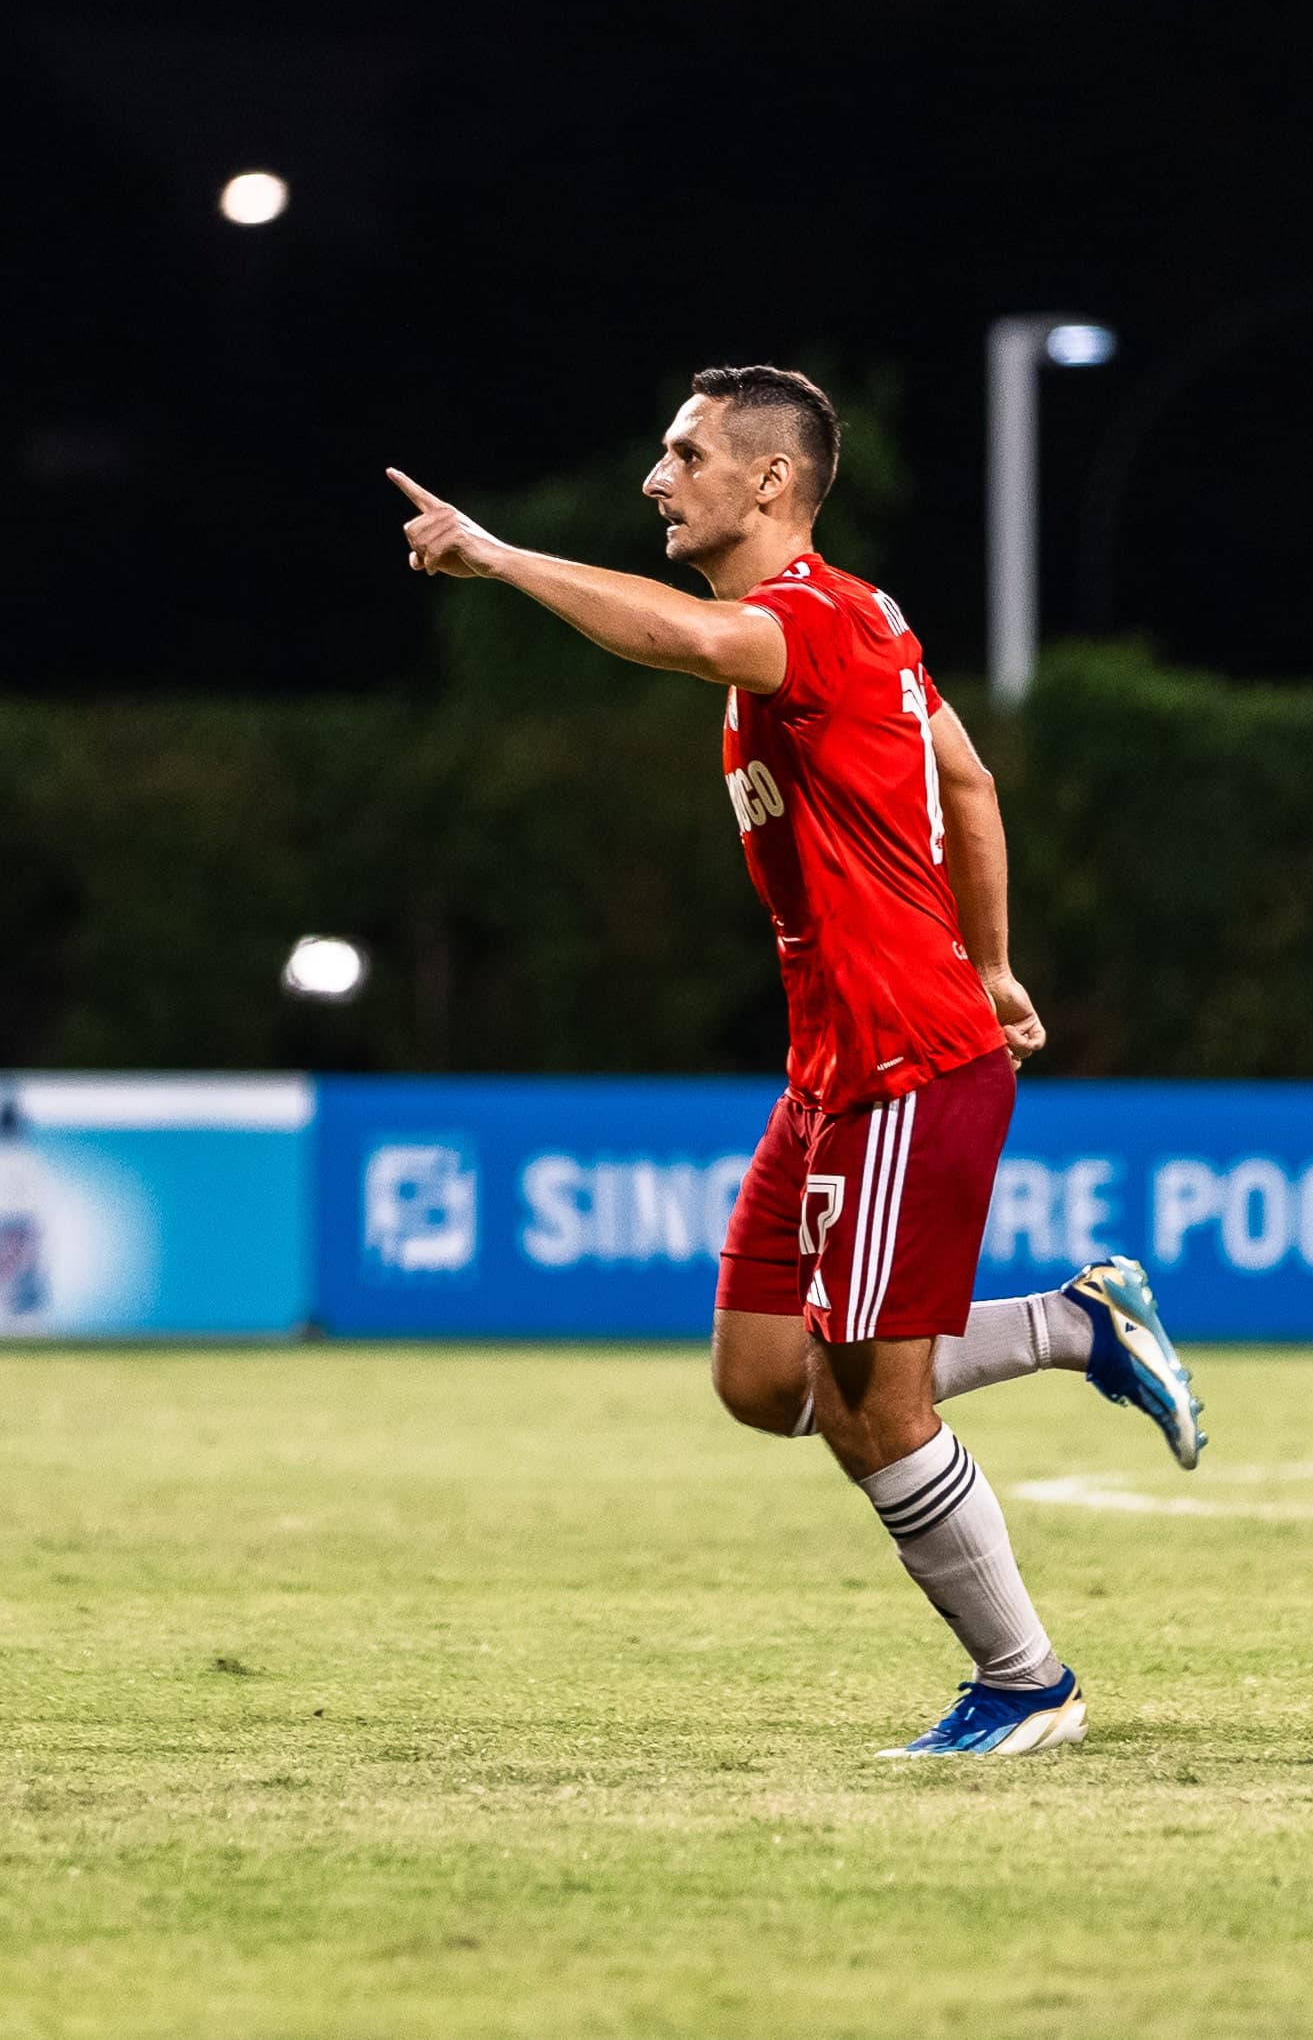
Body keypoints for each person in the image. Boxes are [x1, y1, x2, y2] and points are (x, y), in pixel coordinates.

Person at [392, 364, 1207, 1758]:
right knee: (766, 1377)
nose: (658, 478)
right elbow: (969, 780)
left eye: (683, 452)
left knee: (868, 1406)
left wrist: (498, 552)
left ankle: (1029, 1685)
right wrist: (998, 960)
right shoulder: (864, 623)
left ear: (769, 483)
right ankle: (1079, 1320)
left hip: (903, 1062)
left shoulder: (807, 623)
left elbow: (684, 646)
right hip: (836, 1068)